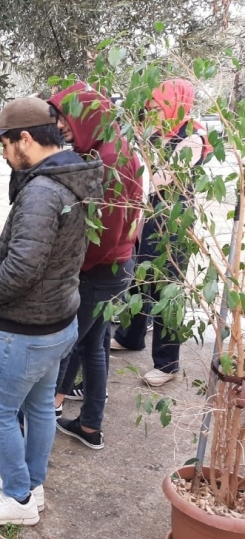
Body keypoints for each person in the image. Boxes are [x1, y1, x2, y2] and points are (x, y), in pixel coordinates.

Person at [0, 97, 103, 526]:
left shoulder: (43, 191)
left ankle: (18, 498)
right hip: (58, 320)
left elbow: (23, 265)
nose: (5, 155)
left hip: (23, 329)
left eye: (6, 145)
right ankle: (31, 484)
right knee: (41, 406)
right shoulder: (74, 177)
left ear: (25, 138)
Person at [47, 83, 144, 449]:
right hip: (116, 267)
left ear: (87, 116)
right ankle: (90, 426)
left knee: (64, 345)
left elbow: (106, 233)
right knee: (94, 346)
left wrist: (76, 267)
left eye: (64, 118)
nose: (60, 127)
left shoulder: (110, 159)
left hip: (101, 271)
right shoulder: (109, 149)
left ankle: (34, 417)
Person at [110, 78, 212, 387]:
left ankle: (167, 363)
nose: (150, 111)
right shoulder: (158, 130)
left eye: (156, 106)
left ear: (174, 104)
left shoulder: (193, 136)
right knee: (141, 278)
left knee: (167, 289)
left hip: (174, 223)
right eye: (149, 107)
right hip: (150, 215)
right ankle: (130, 336)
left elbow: (162, 178)